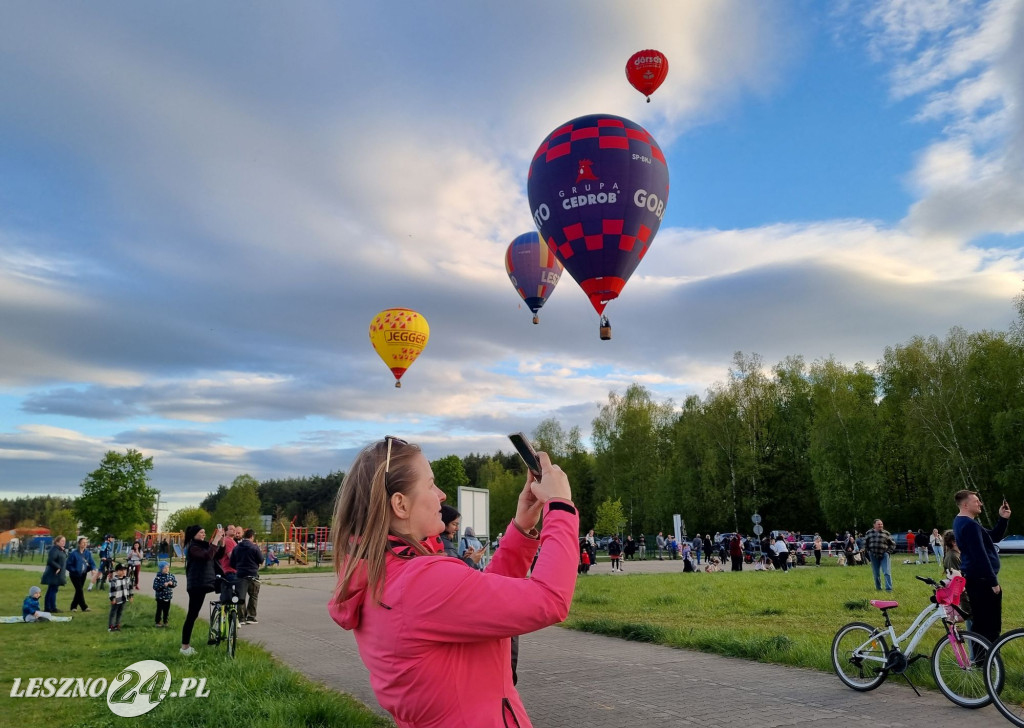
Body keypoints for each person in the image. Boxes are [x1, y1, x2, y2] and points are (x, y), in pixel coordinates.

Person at [327, 437, 578, 728]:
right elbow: (550, 599)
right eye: (431, 484)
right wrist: (561, 507)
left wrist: (521, 529)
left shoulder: (385, 573)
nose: (442, 495)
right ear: (400, 504)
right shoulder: (419, 581)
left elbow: (479, 600)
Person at [952, 490, 1010, 645]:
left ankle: (983, 656)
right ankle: (989, 656)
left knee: (981, 624)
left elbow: (993, 537)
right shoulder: (969, 525)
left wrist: (1003, 519)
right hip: (982, 581)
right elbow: (980, 556)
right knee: (990, 626)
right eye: (976, 501)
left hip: (976, 579)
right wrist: (993, 582)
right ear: (965, 505)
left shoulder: (963, 522)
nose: (980, 504)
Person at [180, 524, 224, 656]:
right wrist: (215, 540)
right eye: (201, 532)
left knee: (193, 614)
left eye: (204, 532)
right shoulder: (193, 547)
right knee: (192, 615)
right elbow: (207, 556)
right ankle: (185, 647)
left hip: (202, 583)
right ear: (194, 534)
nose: (204, 534)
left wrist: (221, 543)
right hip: (196, 584)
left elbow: (217, 555)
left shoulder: (203, 545)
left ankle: (186, 647)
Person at [230, 529, 263, 624]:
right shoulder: (254, 547)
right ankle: (251, 617)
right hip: (252, 574)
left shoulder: (236, 548)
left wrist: (238, 567)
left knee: (241, 596)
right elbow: (261, 560)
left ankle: (241, 618)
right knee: (253, 596)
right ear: (252, 537)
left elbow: (231, 562)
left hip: (240, 575)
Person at [941, 529, 972, 631]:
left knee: (971, 620)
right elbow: (956, 580)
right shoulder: (952, 557)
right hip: (964, 596)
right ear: (954, 542)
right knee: (971, 620)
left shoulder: (957, 554)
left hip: (967, 593)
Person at [66, 536, 97, 612]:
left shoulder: (88, 553)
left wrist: (93, 569)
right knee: (79, 590)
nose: (85, 544)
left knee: (78, 590)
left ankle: (73, 607)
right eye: (83, 542)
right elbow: (68, 565)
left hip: (83, 574)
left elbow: (92, 563)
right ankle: (84, 607)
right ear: (79, 544)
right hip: (75, 575)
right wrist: (75, 570)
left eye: (86, 542)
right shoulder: (73, 554)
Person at [864, 519, 896, 591]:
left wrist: (888, 552)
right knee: (876, 573)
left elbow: (893, 544)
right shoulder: (869, 533)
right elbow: (865, 543)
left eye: (881, 524)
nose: (880, 525)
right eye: (879, 524)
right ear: (874, 525)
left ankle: (889, 589)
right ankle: (878, 588)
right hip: (873, 555)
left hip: (884, 554)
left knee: (886, 572)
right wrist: (868, 551)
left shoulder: (886, 533)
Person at [41, 535, 68, 613]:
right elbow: (50, 560)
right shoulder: (54, 549)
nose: (64, 542)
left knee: (53, 590)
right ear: (57, 542)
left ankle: (50, 607)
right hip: (54, 573)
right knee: (52, 590)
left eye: (64, 541)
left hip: (58, 574)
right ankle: (50, 607)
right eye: (62, 541)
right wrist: (58, 567)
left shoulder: (60, 550)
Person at [152, 561, 178, 628]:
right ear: (161, 569)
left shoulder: (171, 576)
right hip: (160, 597)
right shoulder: (158, 577)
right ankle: (158, 622)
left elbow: (175, 583)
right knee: (159, 610)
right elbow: (155, 587)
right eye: (164, 568)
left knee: (166, 610)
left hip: (168, 596)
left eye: (168, 567)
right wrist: (163, 585)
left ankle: (165, 621)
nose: (166, 569)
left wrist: (172, 584)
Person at [108, 562, 132, 632]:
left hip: (123, 598)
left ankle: (117, 625)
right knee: (113, 613)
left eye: (124, 570)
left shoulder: (127, 579)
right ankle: (111, 626)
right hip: (116, 599)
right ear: (116, 571)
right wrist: (113, 598)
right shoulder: (114, 580)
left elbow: (130, 588)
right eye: (121, 570)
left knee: (120, 612)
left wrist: (130, 596)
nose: (123, 571)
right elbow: (112, 590)